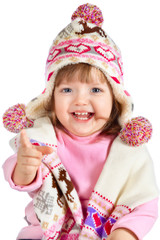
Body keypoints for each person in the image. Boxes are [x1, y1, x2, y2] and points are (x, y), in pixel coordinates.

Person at [2, 3, 159, 240]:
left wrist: (124, 233)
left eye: (95, 90)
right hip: (49, 231)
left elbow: (144, 202)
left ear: (115, 98)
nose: (80, 101)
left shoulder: (126, 150)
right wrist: (25, 167)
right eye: (67, 90)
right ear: (51, 97)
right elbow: (18, 175)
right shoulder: (46, 138)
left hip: (106, 231)